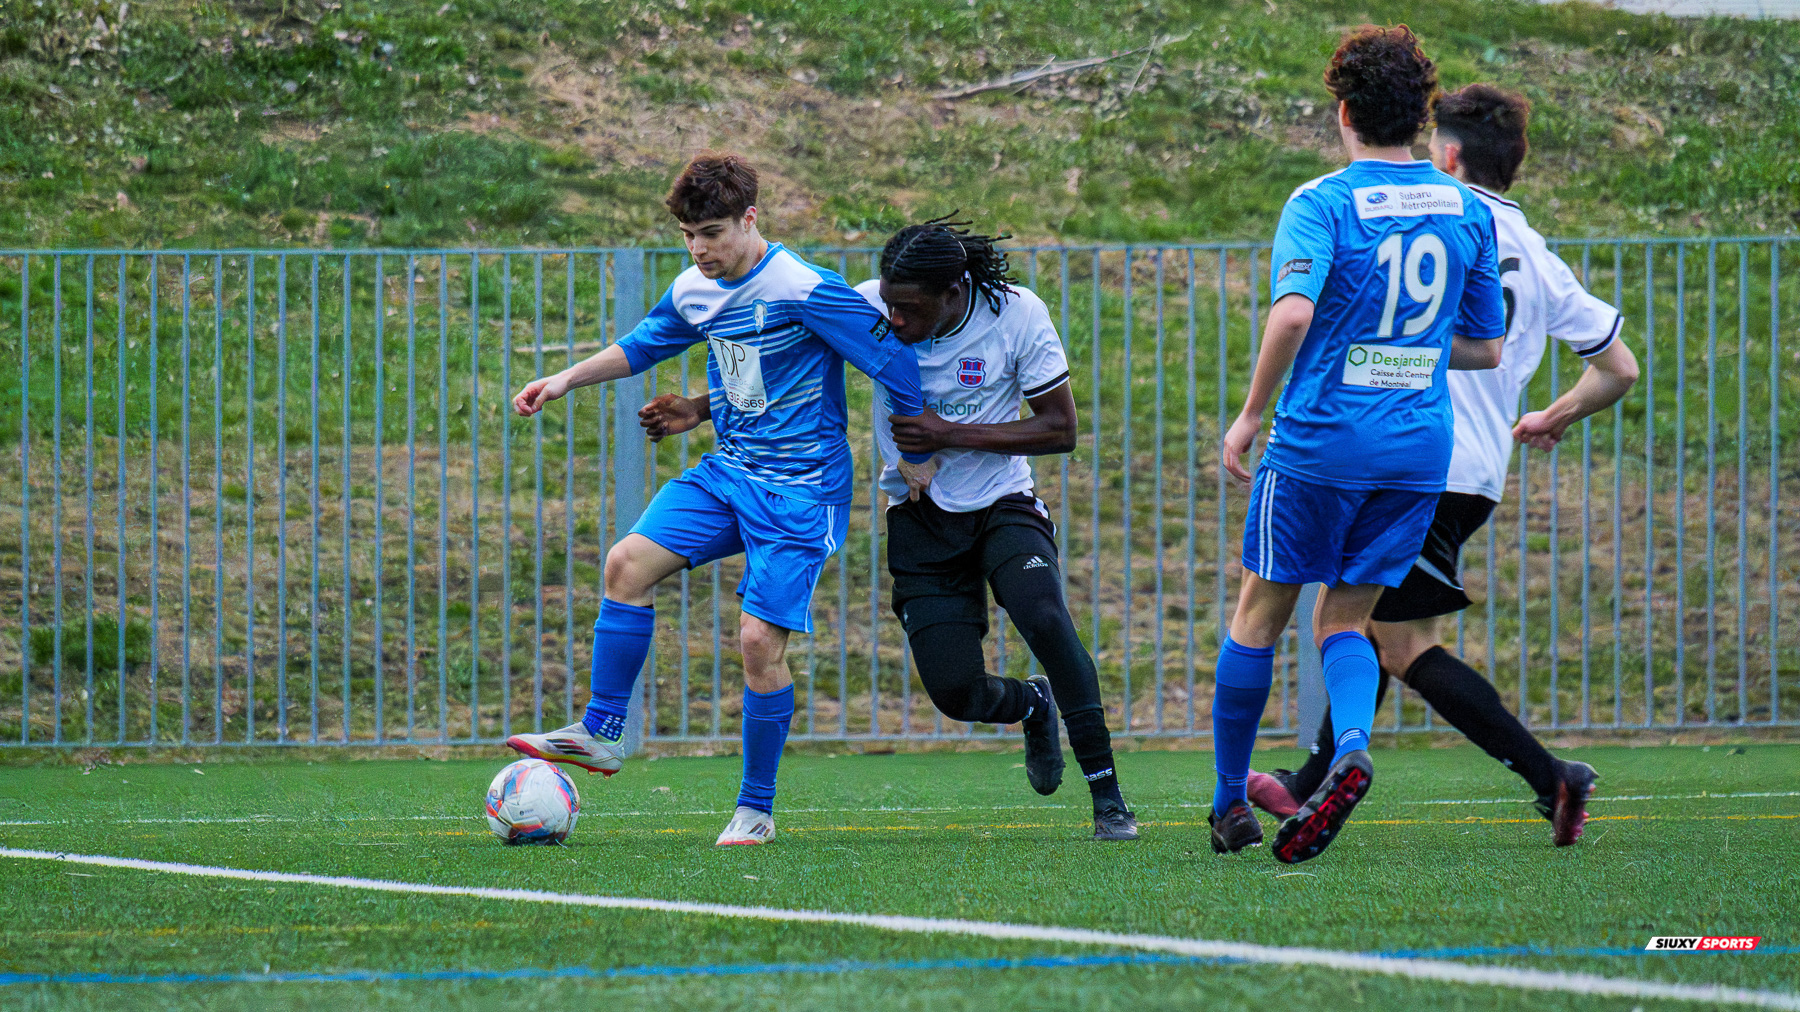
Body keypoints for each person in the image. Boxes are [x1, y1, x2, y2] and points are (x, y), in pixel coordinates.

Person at [641, 218, 1138, 842]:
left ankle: (1109, 798)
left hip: (1003, 504)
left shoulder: (1017, 314)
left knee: (1044, 617)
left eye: (911, 308)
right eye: (891, 305)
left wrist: (945, 434)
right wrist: (699, 406)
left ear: (955, 290)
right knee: (956, 692)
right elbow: (790, 366)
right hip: (917, 515)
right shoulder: (866, 300)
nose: (895, 321)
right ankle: (1032, 705)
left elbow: (1059, 430)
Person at [1245, 83, 1640, 848]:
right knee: (1375, 622)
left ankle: (1551, 775)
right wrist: (1551, 416)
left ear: (1448, 155)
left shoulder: (1436, 212)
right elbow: (1618, 367)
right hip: (1478, 470)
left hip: (1410, 447)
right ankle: (1310, 778)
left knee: (1393, 640)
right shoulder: (1535, 251)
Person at [505, 152, 934, 847]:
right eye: (688, 236)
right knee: (625, 565)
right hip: (729, 474)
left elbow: (896, 362)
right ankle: (602, 732)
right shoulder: (695, 290)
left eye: (712, 232)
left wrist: (915, 455)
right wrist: (564, 379)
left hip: (801, 493)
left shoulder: (805, 288)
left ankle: (756, 809)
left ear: (750, 219)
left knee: (758, 643)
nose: (699, 249)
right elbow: (644, 345)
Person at [1208, 25, 1506, 864]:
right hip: (1417, 447)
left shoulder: (1322, 202)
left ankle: (1231, 803)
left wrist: (1249, 413)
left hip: (1321, 443)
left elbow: (1295, 313)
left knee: (1260, 614)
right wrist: (1402, 350)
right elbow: (1485, 345)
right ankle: (1347, 751)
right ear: (1422, 115)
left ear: (1342, 110)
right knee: (1348, 616)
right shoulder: (1467, 208)